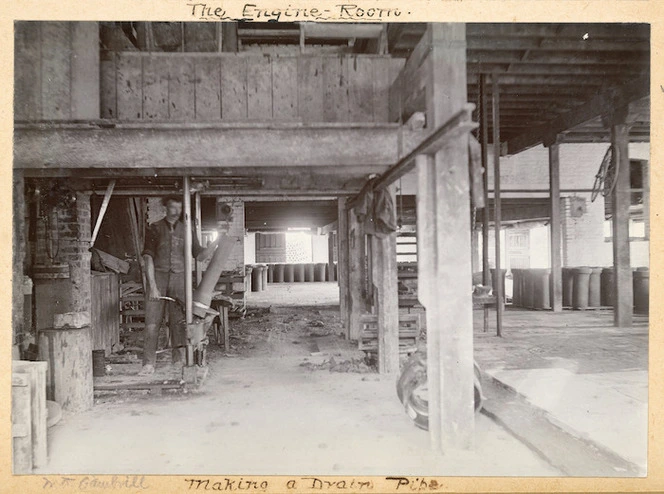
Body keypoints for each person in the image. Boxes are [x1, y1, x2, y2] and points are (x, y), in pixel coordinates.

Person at [139, 195, 218, 375]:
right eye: (173, 207)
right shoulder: (155, 228)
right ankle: (148, 364)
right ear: (166, 208)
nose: (176, 211)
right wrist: (152, 285)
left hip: (180, 279)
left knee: (178, 322)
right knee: (152, 322)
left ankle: (178, 360)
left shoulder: (187, 230)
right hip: (158, 277)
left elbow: (199, 256)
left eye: (179, 208)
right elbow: (148, 258)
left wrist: (214, 244)